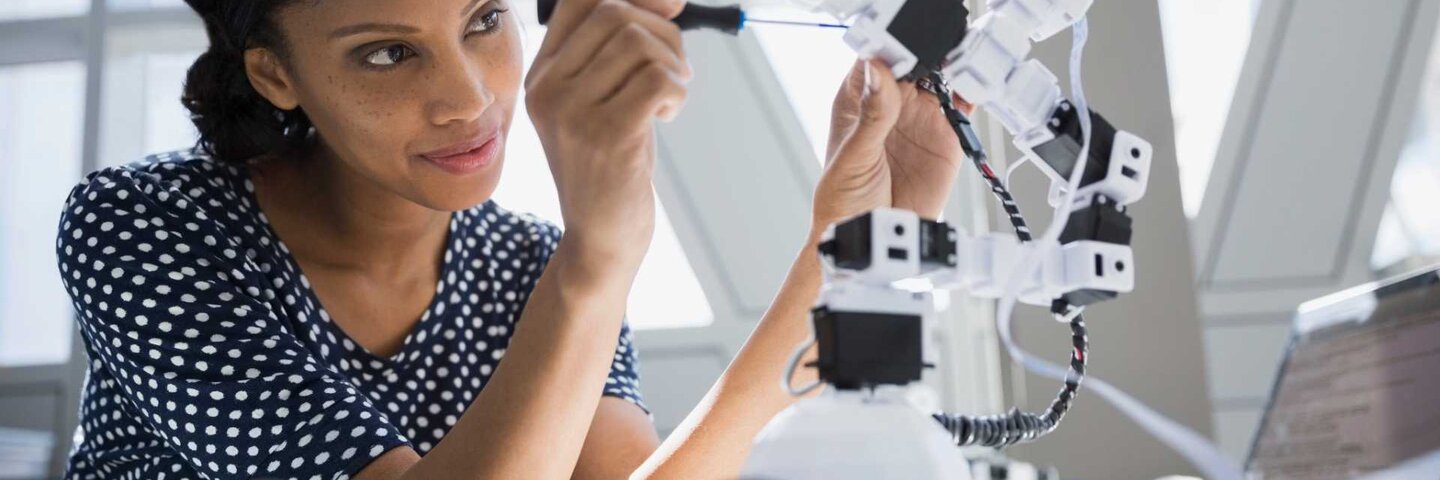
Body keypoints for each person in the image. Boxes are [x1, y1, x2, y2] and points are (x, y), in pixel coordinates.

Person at [54, 0, 973, 478]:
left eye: (484, 21)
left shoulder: (526, 263)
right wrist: (598, 258)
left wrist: (851, 248)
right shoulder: (146, 230)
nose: (469, 98)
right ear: (275, 74)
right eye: (387, 51)